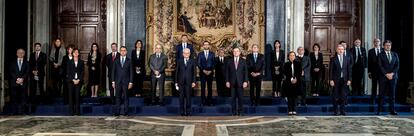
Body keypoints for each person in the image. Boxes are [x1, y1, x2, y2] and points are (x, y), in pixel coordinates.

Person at [377, 40, 399, 115]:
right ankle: (379, 110)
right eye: (386, 45)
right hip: (383, 77)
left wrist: (392, 74)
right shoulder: (380, 55)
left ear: (391, 46)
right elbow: (380, 66)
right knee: (381, 94)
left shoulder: (395, 54)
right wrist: (386, 74)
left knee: (392, 94)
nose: (388, 46)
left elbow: (397, 66)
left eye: (389, 45)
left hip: (393, 77)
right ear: (383, 46)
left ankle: (392, 110)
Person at [329, 44, 352, 116]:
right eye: (339, 49)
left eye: (342, 49)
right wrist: (331, 80)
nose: (341, 50)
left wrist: (349, 79)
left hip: (344, 80)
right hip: (335, 80)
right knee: (335, 96)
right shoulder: (333, 59)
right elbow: (331, 70)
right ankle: (336, 111)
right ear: (336, 50)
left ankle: (342, 111)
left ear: (344, 50)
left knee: (343, 96)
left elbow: (349, 70)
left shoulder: (347, 58)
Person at [225, 47, 248, 116]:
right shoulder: (229, 61)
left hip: (240, 82)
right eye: (234, 51)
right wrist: (227, 81)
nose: (235, 52)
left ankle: (241, 112)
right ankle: (233, 112)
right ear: (233, 53)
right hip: (232, 82)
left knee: (241, 98)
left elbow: (246, 72)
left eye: (237, 51)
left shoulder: (243, 61)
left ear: (239, 52)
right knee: (232, 98)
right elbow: (227, 72)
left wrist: (245, 81)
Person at [111, 46, 133, 116]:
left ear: (126, 52)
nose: (123, 52)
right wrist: (113, 82)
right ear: (120, 51)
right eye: (121, 50)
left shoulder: (129, 61)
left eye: (124, 50)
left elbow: (131, 72)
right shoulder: (116, 60)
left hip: (126, 82)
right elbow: (113, 72)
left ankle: (126, 112)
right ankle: (117, 111)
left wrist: (130, 82)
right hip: (117, 82)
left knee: (126, 97)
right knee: (117, 97)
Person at [175, 48, 197, 116]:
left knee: (188, 98)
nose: (186, 54)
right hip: (180, 82)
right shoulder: (179, 61)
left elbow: (194, 72)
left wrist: (194, 82)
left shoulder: (192, 61)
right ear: (183, 54)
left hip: (189, 82)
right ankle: (182, 111)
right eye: (185, 53)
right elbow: (176, 72)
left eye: (187, 53)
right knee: (181, 98)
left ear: (189, 54)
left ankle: (188, 112)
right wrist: (176, 82)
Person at [9, 49, 30, 115]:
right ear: (17, 54)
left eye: (22, 53)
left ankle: (22, 112)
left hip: (23, 83)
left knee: (23, 98)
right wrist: (17, 79)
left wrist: (22, 79)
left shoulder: (27, 62)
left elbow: (27, 72)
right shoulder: (12, 62)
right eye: (19, 52)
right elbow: (11, 72)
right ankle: (14, 111)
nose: (20, 54)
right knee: (14, 98)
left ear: (24, 54)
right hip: (14, 82)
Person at [283, 51, 302, 115]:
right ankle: (290, 110)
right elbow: (285, 73)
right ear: (288, 57)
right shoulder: (286, 64)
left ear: (295, 56)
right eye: (290, 55)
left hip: (296, 82)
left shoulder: (298, 64)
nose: (292, 57)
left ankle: (294, 110)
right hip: (288, 82)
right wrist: (291, 79)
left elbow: (299, 73)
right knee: (289, 97)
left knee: (295, 97)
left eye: (293, 55)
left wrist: (296, 78)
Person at [66, 48, 84, 116]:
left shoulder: (81, 62)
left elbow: (82, 72)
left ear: (78, 54)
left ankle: (77, 112)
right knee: (71, 97)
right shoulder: (69, 62)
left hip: (78, 81)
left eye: (77, 52)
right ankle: (71, 112)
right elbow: (68, 72)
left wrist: (79, 79)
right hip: (71, 81)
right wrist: (73, 80)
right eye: (75, 52)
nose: (76, 53)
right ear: (73, 54)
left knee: (77, 97)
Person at [197, 41, 215, 106]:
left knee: (210, 88)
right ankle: (203, 102)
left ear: (209, 46)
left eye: (207, 44)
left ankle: (209, 101)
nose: (206, 45)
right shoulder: (200, 54)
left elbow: (214, 63)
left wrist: (210, 70)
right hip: (202, 73)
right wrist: (203, 70)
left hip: (210, 73)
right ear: (203, 46)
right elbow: (198, 63)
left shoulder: (212, 54)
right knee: (203, 88)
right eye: (205, 44)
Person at [368, 38, 383, 104]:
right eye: (375, 41)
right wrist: (369, 72)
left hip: (382, 72)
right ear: (373, 43)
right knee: (374, 86)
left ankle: (381, 100)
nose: (377, 42)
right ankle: (373, 100)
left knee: (382, 86)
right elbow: (369, 62)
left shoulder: (383, 50)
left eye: (378, 41)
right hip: (374, 71)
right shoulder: (370, 51)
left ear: (380, 42)